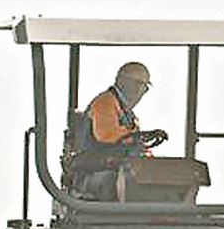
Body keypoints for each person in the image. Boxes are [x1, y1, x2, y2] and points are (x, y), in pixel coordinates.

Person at [73, 61, 170, 196]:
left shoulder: (128, 114)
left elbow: (132, 143)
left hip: (113, 168)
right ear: (120, 81)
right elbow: (107, 136)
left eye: (143, 87)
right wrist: (138, 137)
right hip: (93, 172)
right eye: (136, 84)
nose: (139, 91)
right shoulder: (104, 102)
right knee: (126, 182)